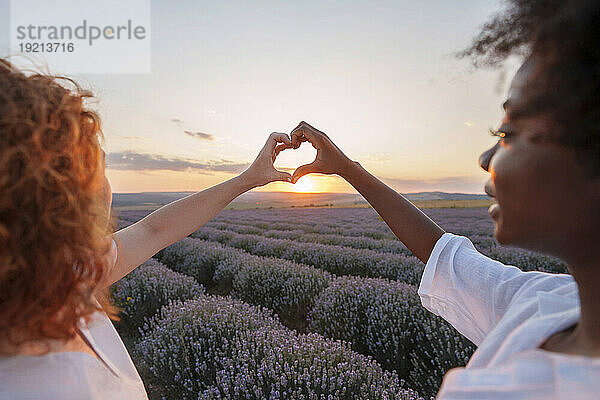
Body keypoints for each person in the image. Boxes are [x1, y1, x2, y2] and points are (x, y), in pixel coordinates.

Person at [287, 0, 599, 398]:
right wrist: (347, 168)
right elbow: (445, 255)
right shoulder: (550, 304)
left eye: (508, 132)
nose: (486, 159)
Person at [0, 57, 296, 399]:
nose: (108, 189)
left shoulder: (53, 280)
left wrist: (247, 179)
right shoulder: (56, 385)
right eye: (96, 167)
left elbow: (155, 230)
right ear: (60, 203)